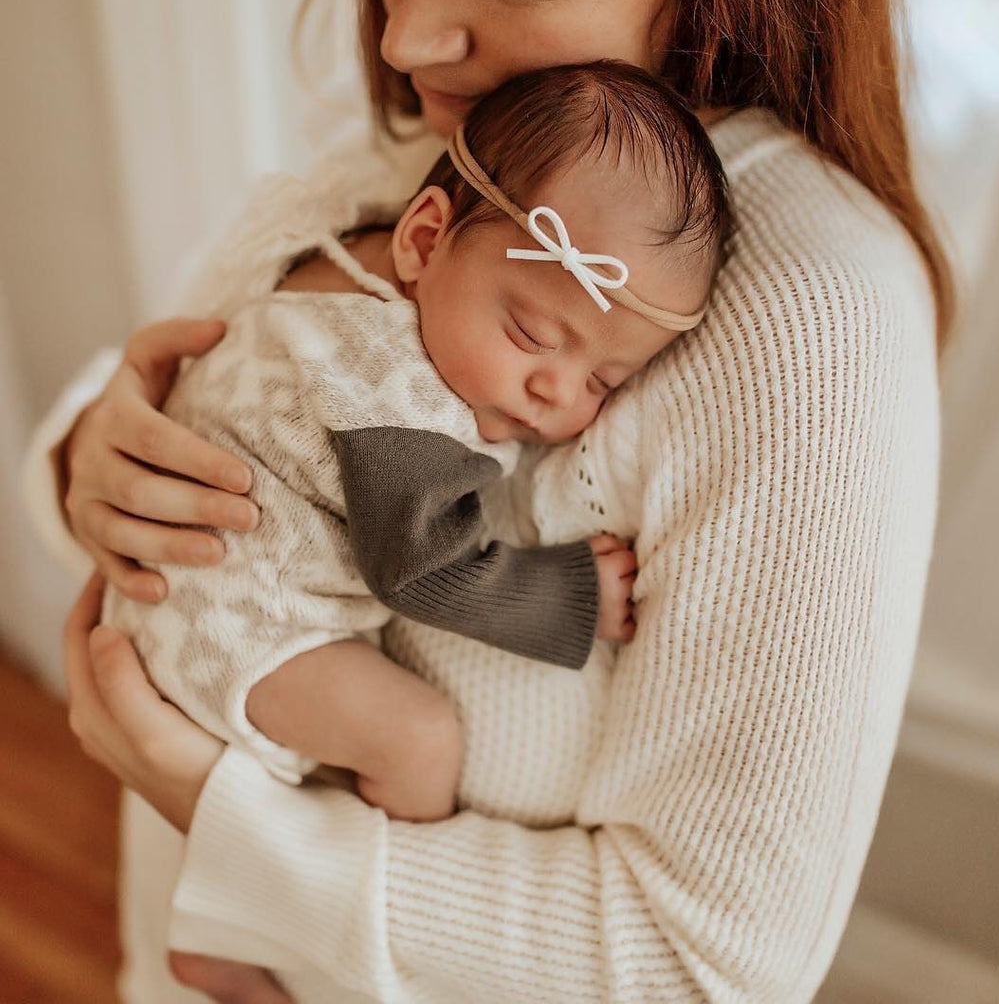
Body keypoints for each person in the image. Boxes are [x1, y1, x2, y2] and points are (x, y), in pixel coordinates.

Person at [33, 0, 950, 1000]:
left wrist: (238, 834)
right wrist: (88, 457)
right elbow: (204, 383)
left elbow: (704, 966)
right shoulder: (414, 154)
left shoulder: (810, 322)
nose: (404, 35)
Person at [102, 61, 729, 817]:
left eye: (604, 380)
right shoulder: (393, 386)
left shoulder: (346, 259)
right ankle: (356, 913)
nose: (558, 393)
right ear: (424, 239)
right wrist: (574, 595)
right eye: (531, 333)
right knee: (420, 737)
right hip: (230, 619)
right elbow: (424, 568)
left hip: (180, 598)